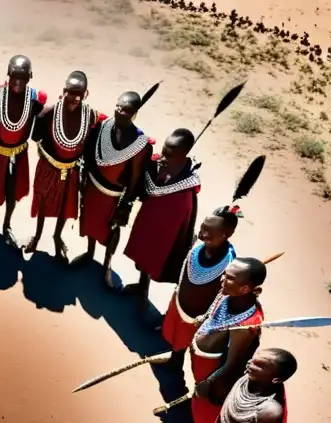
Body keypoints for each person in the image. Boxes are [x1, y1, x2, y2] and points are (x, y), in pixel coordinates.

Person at [189, 256, 267, 423]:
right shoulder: (228, 295)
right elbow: (214, 315)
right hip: (202, 366)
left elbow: (234, 365)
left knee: (207, 419)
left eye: (230, 278)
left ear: (245, 289)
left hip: (214, 380)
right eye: (225, 274)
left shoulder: (246, 326)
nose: (222, 279)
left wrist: (210, 384)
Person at [76, 91, 151, 284]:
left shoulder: (140, 143)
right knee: (89, 221)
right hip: (94, 185)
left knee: (112, 230)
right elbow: (90, 156)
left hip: (115, 195)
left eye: (126, 109)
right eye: (118, 106)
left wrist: (125, 205)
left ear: (134, 113)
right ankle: (89, 253)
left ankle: (106, 264)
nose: (119, 111)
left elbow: (135, 178)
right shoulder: (102, 127)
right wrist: (84, 181)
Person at [122, 128, 200, 312]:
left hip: (168, 228)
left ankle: (144, 293)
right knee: (142, 251)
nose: (164, 157)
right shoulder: (157, 164)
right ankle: (141, 284)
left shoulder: (188, 182)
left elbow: (185, 212)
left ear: (184, 155)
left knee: (155, 257)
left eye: (170, 155)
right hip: (149, 217)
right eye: (164, 151)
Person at [26, 72, 100, 261]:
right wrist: (51, 162)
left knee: (65, 207)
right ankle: (37, 236)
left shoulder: (90, 116)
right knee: (43, 203)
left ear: (86, 94)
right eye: (72, 92)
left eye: (80, 94)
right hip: (48, 167)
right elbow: (36, 139)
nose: (75, 98)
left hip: (72, 170)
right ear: (64, 91)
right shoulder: (48, 113)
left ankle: (57, 236)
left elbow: (90, 144)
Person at [0, 55, 47, 247]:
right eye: (14, 76)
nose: (17, 81)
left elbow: (43, 121)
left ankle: (6, 225)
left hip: (19, 153)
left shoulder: (35, 100)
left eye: (23, 77)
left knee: (12, 192)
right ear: (8, 74)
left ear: (30, 76)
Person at [161, 208, 240, 355]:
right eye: (203, 227)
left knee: (183, 344)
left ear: (225, 235)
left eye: (209, 231)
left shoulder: (229, 265)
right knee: (171, 329)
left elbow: (223, 297)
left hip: (196, 317)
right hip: (179, 304)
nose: (203, 233)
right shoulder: (197, 249)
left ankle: (175, 360)